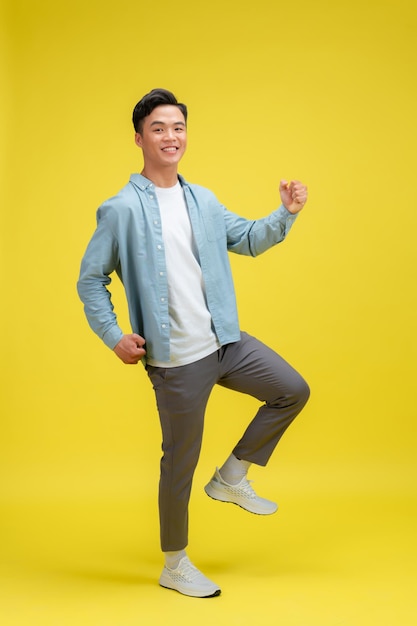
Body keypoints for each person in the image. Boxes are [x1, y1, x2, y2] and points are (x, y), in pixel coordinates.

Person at [77, 88, 310, 598]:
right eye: (158, 128)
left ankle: (231, 476)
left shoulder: (202, 199)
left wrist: (285, 212)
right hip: (176, 360)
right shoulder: (119, 209)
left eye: (178, 127)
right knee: (179, 465)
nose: (170, 136)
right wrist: (114, 336)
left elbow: (248, 238)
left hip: (225, 342)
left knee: (292, 389)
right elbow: (91, 280)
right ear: (139, 137)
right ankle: (175, 562)